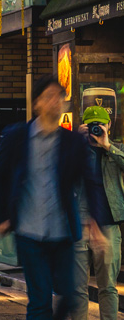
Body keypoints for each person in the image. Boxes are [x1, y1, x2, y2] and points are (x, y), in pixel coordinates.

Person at [0, 75, 105, 320]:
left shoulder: (72, 141)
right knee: (40, 299)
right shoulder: (17, 136)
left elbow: (90, 180)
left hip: (62, 232)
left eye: (59, 96)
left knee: (70, 295)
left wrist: (95, 220)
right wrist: (0, 217)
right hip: (29, 232)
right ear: (36, 104)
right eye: (48, 96)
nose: (55, 101)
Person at [73, 106, 124, 320]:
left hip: (109, 226)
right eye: (92, 125)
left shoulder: (117, 149)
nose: (97, 129)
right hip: (78, 225)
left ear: (109, 125)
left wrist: (108, 146)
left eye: (100, 125)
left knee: (108, 287)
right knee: (76, 289)